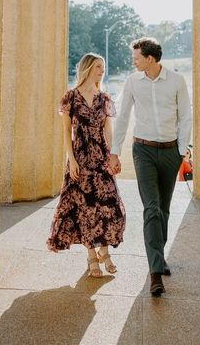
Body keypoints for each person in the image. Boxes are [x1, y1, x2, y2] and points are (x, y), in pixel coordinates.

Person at [109, 37, 192, 297]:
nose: (133, 62)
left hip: (170, 152)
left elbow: (186, 116)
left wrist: (181, 151)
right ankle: (155, 272)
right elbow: (122, 117)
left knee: (164, 209)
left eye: (136, 58)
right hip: (142, 150)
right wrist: (114, 151)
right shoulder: (133, 82)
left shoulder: (177, 81)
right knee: (151, 209)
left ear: (150, 58)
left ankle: (159, 257)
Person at [47, 53, 126, 277]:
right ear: (88, 68)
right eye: (98, 67)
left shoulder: (104, 99)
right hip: (80, 158)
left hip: (101, 158)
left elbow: (108, 130)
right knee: (86, 208)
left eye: (103, 67)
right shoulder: (70, 97)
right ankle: (93, 255)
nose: (102, 70)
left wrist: (113, 156)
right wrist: (71, 160)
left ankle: (105, 250)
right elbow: (66, 133)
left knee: (110, 206)